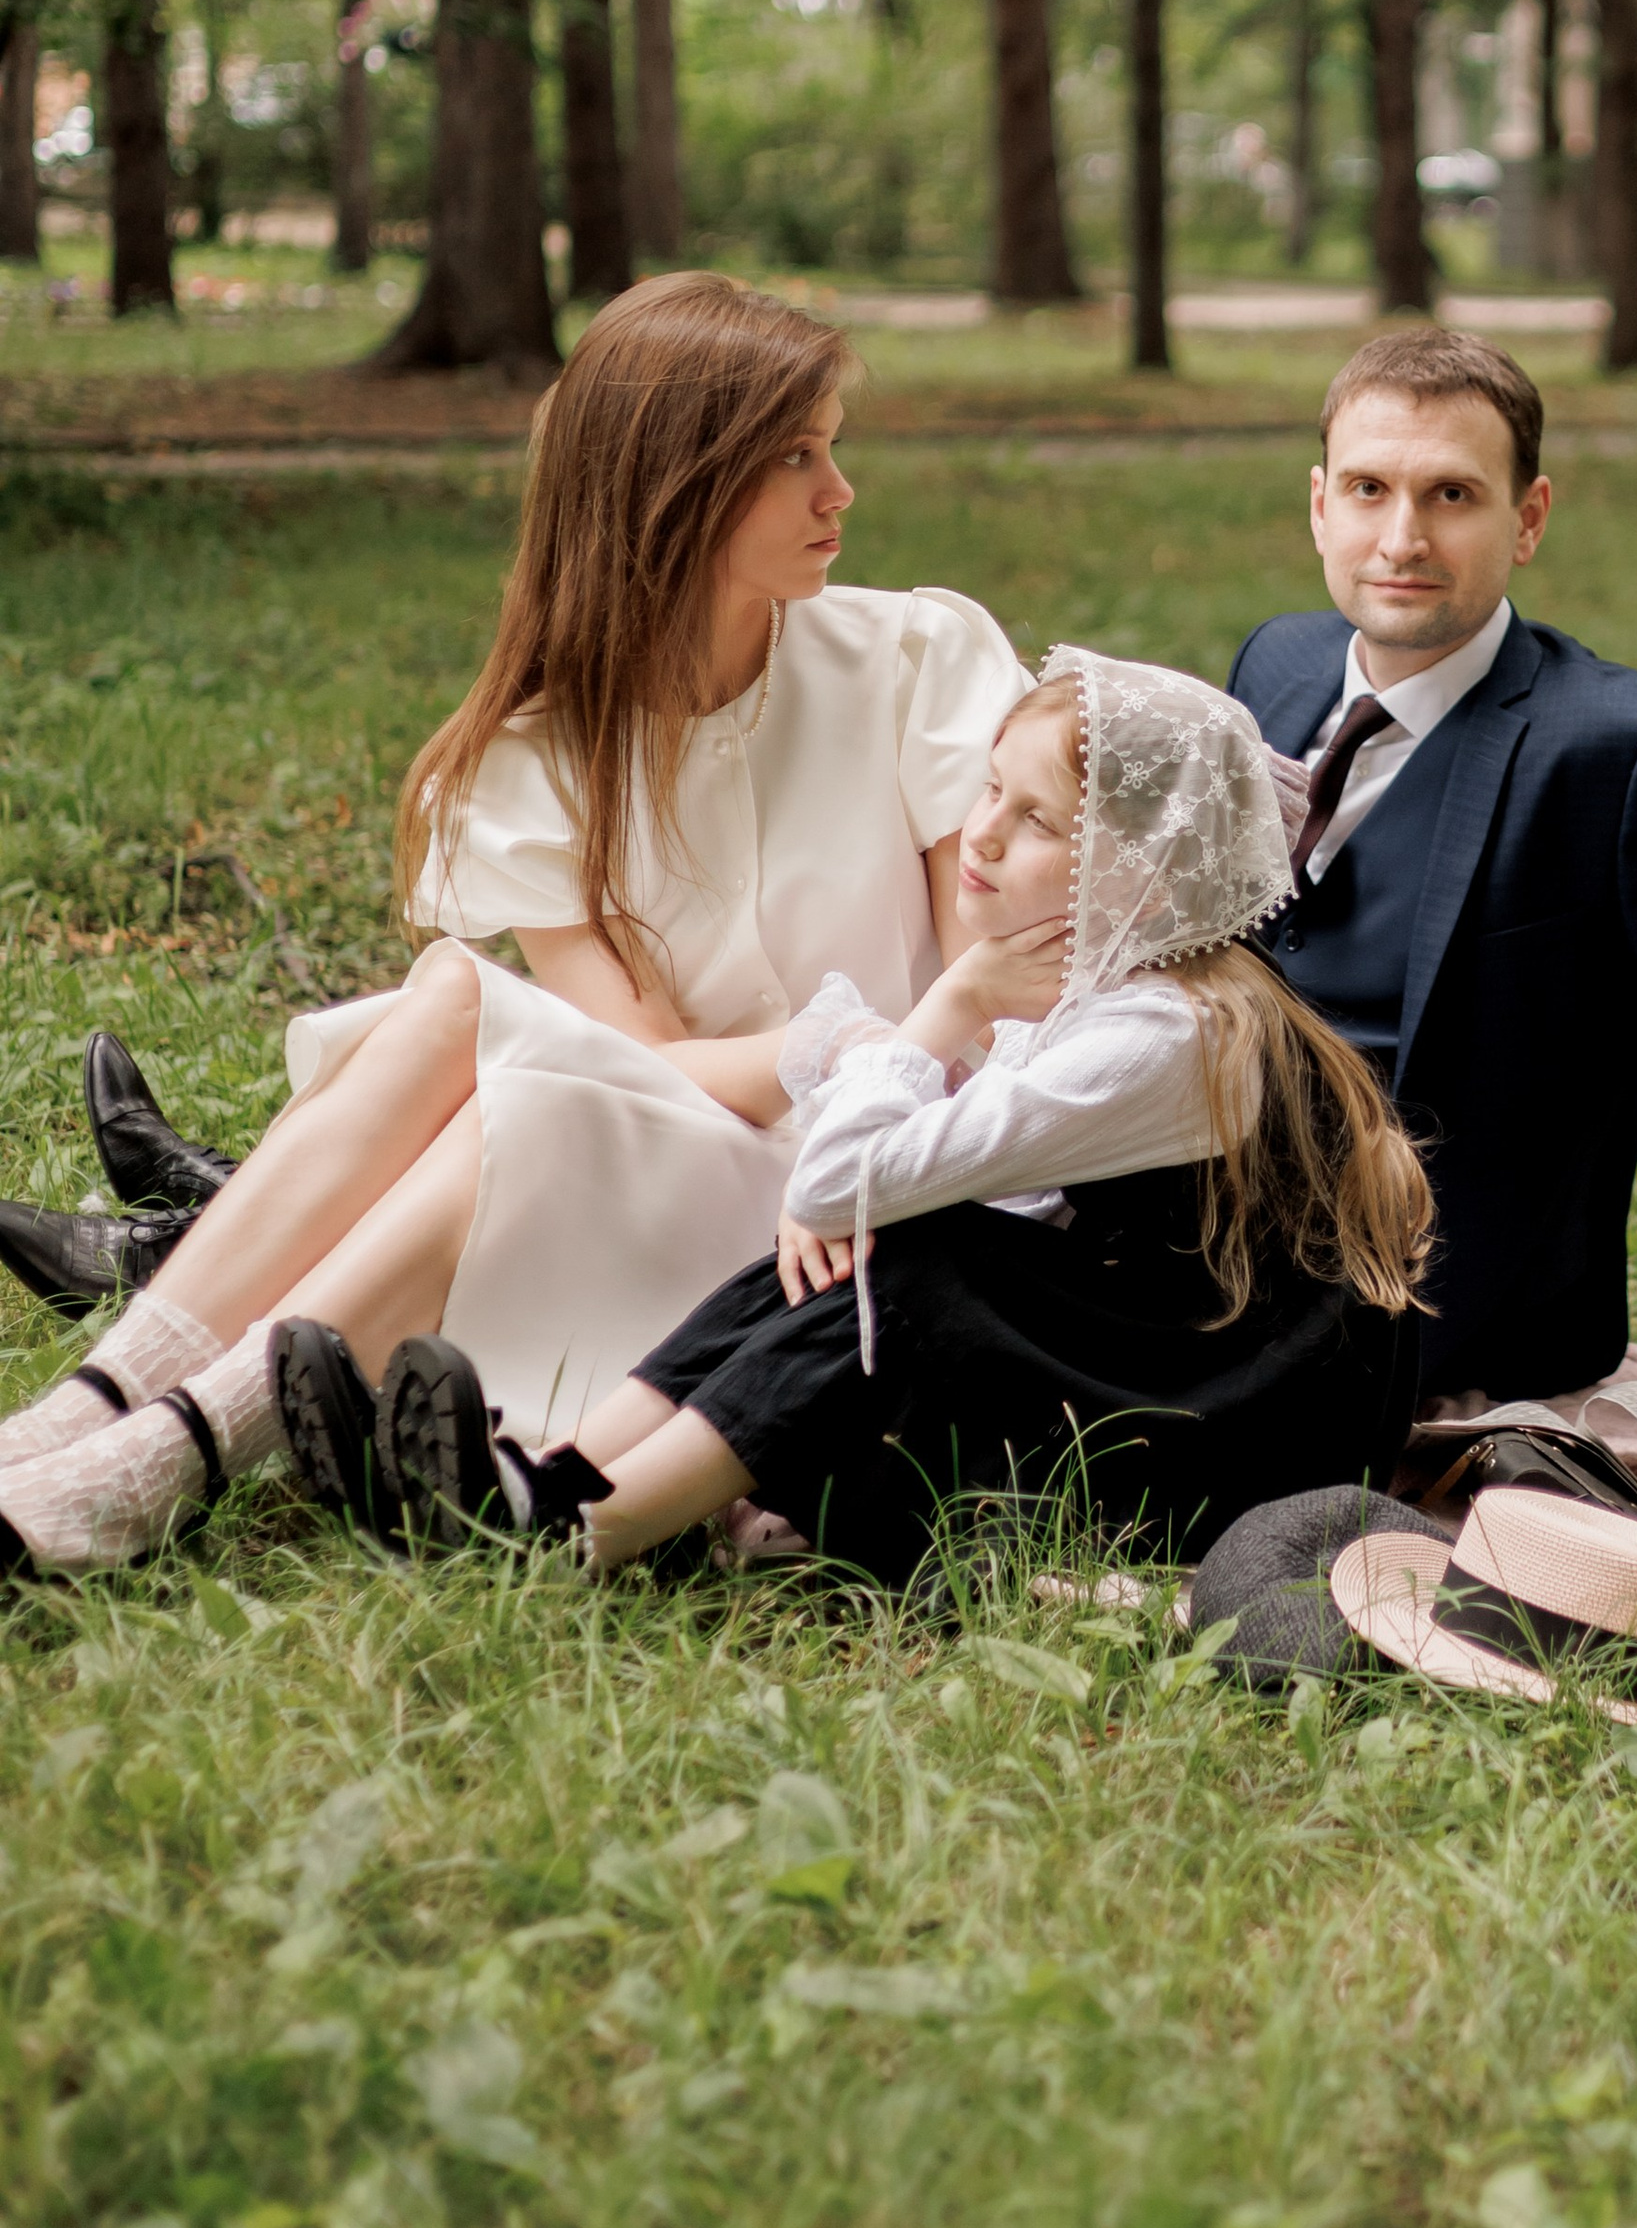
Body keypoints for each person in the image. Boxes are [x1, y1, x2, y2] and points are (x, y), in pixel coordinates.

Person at [0, 273, 1025, 1574]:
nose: (842, 491)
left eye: (834, 447)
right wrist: (816, 1043)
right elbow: (633, 1058)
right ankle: (106, 1422)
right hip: (657, 1160)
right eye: (794, 455)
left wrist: (852, 1058)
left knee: (486, 1044)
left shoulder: (914, 660)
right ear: (676, 482)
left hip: (851, 1207)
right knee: (467, 1013)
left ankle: (143, 1443)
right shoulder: (543, 756)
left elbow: (985, 1010)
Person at [272, 650, 1434, 1580]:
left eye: (1034, 821)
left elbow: (840, 1186)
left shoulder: (1163, 1035)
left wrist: (948, 1004)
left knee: (902, 1255)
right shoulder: (1102, 993)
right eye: (989, 786)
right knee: (892, 1248)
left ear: (1137, 876)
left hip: (1224, 1429)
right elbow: (906, 1189)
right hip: (1144, 1359)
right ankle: (543, 1473)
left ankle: (579, 1528)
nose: (978, 832)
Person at [1228, 326, 1637, 1402]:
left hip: (1423, 1310)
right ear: (1317, 504)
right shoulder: (1274, 662)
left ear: (1527, 518)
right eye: (1367, 488)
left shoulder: (1624, 753)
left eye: (1450, 495)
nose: (1401, 536)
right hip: (1206, 1238)